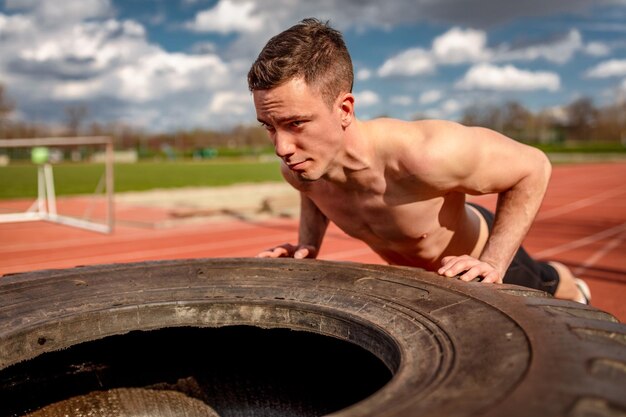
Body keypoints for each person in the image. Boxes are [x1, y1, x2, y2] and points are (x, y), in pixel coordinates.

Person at [247, 18, 590, 303]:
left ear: (345, 109)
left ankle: (570, 284)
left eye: (295, 124)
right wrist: (307, 245)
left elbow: (534, 166)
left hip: (477, 254)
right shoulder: (300, 169)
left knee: (547, 288)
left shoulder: (426, 153)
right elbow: (313, 193)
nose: (282, 147)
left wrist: (493, 263)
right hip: (421, 282)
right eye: (269, 127)